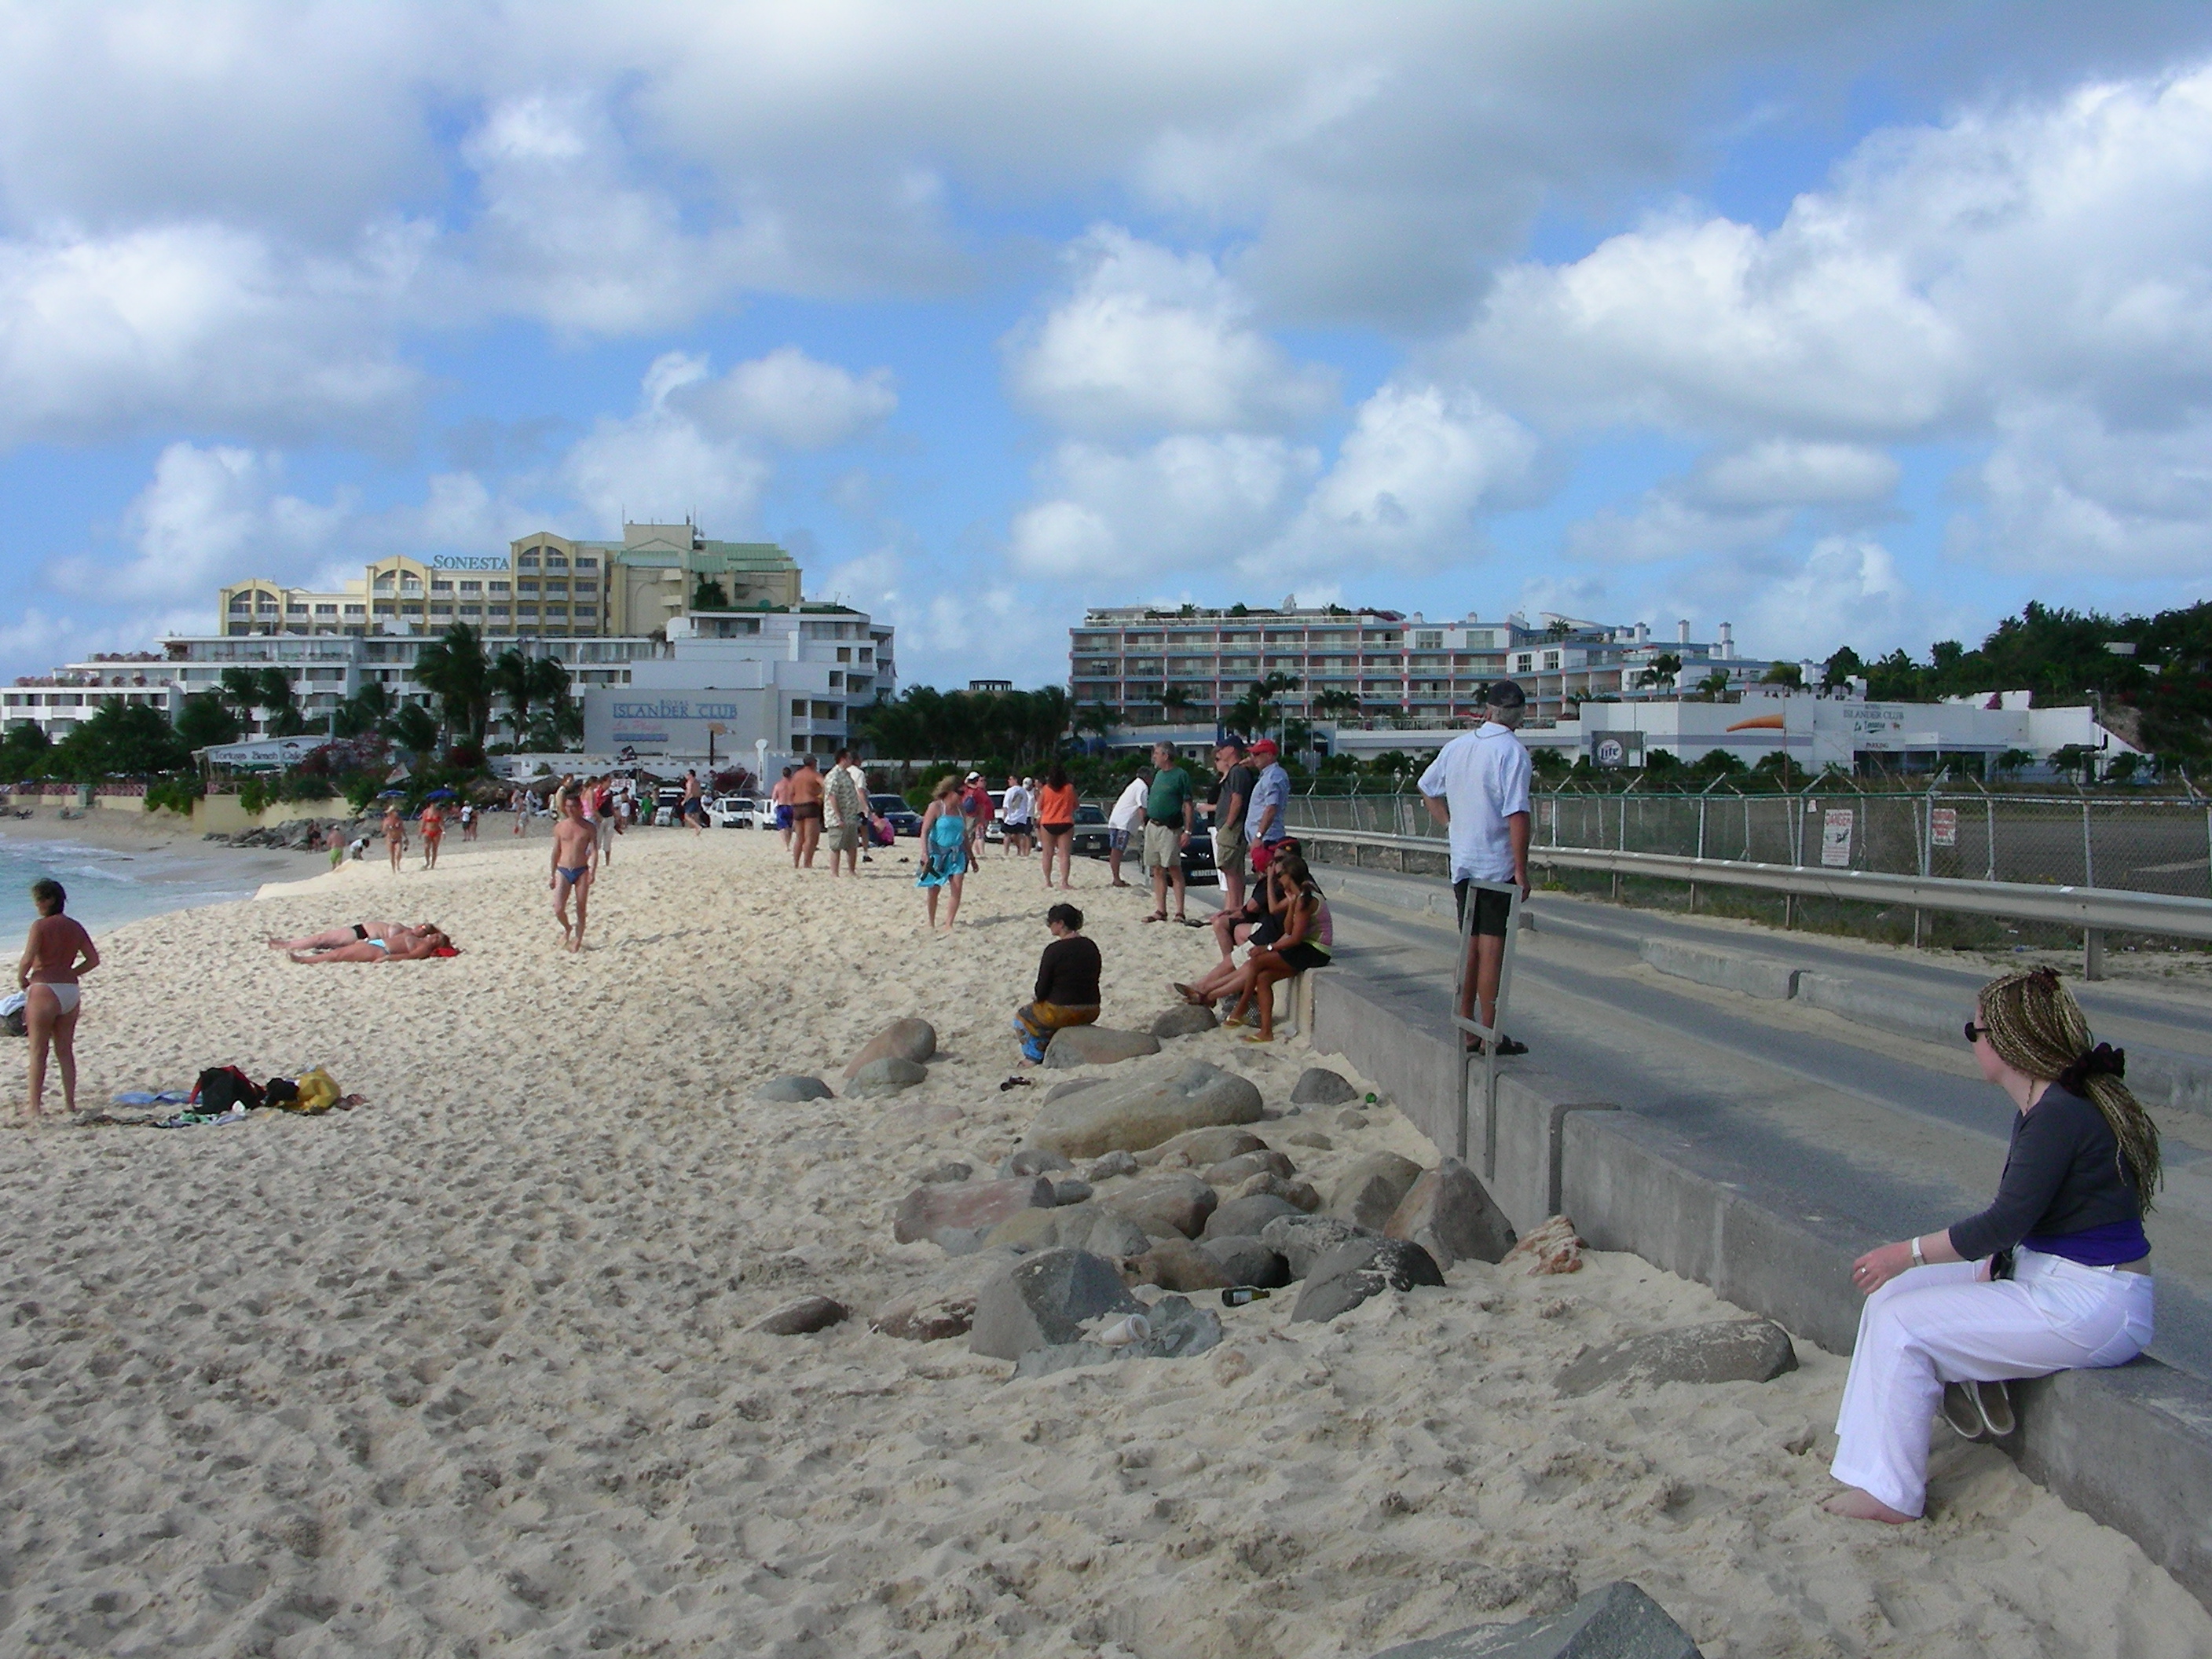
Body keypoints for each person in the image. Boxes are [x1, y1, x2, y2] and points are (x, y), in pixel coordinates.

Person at [1824, 967, 2159, 1525]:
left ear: (2005, 1042)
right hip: (2052, 1274)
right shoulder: (2048, 1105)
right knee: (1892, 1299)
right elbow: (2030, 1224)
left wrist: (1903, 1252)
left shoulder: (2058, 1115)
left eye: (1973, 1032)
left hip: (2092, 1302)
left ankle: (1892, 1494)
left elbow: (2002, 1223)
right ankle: (1868, 1461)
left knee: (1904, 1322)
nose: (1972, 1042)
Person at [1417, 679, 1533, 1055]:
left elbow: (1427, 786)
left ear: (1487, 710)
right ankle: (1489, 1032)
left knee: (1469, 946)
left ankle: (1465, 1025)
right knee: (1492, 949)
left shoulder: (1458, 747)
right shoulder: (1513, 752)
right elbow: (1516, 813)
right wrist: (1522, 869)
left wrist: (1450, 824)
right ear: (1519, 714)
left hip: (1463, 861)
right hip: (1495, 863)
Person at [1221, 853, 1331, 1043]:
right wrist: (1290, 906)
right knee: (1263, 979)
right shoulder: (1297, 897)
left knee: (1257, 961)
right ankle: (1266, 1031)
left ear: (1292, 875)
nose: (1279, 879)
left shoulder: (1307, 899)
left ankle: (1241, 1007)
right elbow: (1289, 929)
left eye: (1281, 875)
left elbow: (1295, 938)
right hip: (1305, 946)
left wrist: (1268, 948)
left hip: (1316, 950)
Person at [17, 879, 97, 1116]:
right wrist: (71, 973)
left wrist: (21, 977)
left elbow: (28, 957)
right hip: (70, 991)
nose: (37, 905)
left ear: (50, 900)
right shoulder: (75, 926)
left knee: (38, 1050)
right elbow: (93, 960)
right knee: (65, 1050)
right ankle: (70, 1104)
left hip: (44, 988)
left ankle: (34, 1107)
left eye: (40, 900)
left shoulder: (40, 926)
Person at [1014, 903, 1102, 1063]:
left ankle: (1033, 1057)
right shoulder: (1090, 945)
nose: (1049, 925)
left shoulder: (1054, 950)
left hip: (1061, 1010)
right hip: (1092, 1008)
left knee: (1022, 1017)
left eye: (1050, 922)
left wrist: (1037, 998)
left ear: (1060, 924)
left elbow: (1042, 988)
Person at [1141, 742, 1196, 925]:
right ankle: (1161, 909)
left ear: (1166, 755)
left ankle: (1179, 911)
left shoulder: (1180, 775)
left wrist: (1188, 830)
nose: (1154, 757)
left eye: (1156, 753)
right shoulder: (1158, 775)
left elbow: (1188, 804)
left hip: (1170, 828)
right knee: (1157, 868)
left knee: (1173, 867)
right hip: (1153, 826)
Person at [915, 775, 971, 932]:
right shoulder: (936, 807)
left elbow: (964, 834)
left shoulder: (961, 810)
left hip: (957, 853)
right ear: (949, 791)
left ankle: (949, 923)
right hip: (937, 853)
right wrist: (924, 853)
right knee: (934, 889)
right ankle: (931, 922)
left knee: (957, 887)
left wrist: (972, 857)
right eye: (960, 792)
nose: (962, 796)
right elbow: (925, 831)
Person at [1212, 740, 1254, 918]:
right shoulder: (1235, 771)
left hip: (1233, 827)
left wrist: (1228, 825)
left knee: (1230, 867)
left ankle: (1235, 908)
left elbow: (1237, 800)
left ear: (1231, 749)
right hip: (1230, 826)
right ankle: (1234, 907)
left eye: (1221, 750)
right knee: (1231, 869)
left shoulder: (1238, 772)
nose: (1219, 753)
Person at [550, 793, 597, 952]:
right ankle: (568, 928)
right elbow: (556, 851)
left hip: (581, 870)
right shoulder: (560, 827)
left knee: (581, 907)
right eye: (568, 807)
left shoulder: (589, 827)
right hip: (563, 869)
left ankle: (578, 939)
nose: (570, 810)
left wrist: (593, 871)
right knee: (558, 908)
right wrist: (552, 874)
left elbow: (595, 850)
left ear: (580, 807)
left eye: (573, 807)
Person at [287, 925, 454, 964]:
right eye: (435, 935)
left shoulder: (424, 948)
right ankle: (315, 956)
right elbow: (424, 927)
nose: (434, 937)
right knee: (342, 951)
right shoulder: (418, 937)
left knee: (339, 955)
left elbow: (410, 956)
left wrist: (388, 959)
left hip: (382, 950)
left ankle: (303, 960)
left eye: (437, 939)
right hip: (376, 943)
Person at [1245, 738, 1291, 873]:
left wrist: (1259, 836)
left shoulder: (1273, 777)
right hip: (1262, 838)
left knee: (1268, 879)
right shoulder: (1267, 775)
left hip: (1267, 838)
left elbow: (1271, 808)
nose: (1254, 758)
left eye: (1258, 754)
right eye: (1253, 754)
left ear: (1269, 755)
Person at [268, 920, 444, 953]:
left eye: (425, 928)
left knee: (322, 940)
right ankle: (287, 944)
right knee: (323, 940)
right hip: (361, 931)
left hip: (363, 936)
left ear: (426, 935)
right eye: (422, 924)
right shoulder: (405, 929)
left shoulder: (409, 938)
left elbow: (387, 944)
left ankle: (286, 945)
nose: (421, 927)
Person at [823, 749, 868, 877]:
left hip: (850, 817)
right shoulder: (834, 775)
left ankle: (851, 871)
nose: (851, 760)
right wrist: (838, 816)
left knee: (852, 845)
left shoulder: (846, 774)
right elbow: (832, 796)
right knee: (836, 845)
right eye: (849, 758)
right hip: (838, 817)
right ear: (843, 759)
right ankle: (834, 873)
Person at [1035, 766, 1079, 892]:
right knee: (1064, 855)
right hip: (1065, 821)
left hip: (1048, 822)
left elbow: (1040, 806)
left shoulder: (1046, 789)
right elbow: (1076, 805)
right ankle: (1064, 882)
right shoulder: (1069, 788)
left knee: (1047, 854)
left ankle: (1048, 881)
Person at [1106, 770, 1148, 888]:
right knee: (1118, 851)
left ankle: (1116, 877)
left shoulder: (1134, 785)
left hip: (1116, 821)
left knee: (1115, 850)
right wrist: (1145, 824)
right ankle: (1116, 878)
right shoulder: (1142, 787)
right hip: (1123, 824)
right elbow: (1141, 808)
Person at [788, 756, 825, 869]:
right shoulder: (815, 775)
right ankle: (807, 863)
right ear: (813, 763)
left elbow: (791, 792)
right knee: (810, 837)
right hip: (810, 804)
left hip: (797, 806)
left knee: (799, 837)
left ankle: (796, 863)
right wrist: (820, 797)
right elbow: (826, 786)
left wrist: (793, 805)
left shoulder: (796, 775)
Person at [960, 771, 994, 865]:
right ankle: (966, 852)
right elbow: (982, 806)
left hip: (965, 814)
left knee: (965, 833)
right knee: (970, 835)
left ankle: (964, 852)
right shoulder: (978, 792)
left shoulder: (965, 789)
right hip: (973, 815)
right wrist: (981, 819)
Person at [1001, 774, 1034, 859]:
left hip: (1011, 816)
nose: (1009, 781)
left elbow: (1006, 804)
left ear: (1015, 780)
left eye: (1010, 779)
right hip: (1021, 816)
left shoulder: (1010, 790)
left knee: (1007, 835)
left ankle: (1006, 852)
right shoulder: (1023, 791)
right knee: (1020, 835)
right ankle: (1021, 852)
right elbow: (1026, 804)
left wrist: (1004, 815)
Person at [772, 766, 795, 848]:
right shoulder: (793, 785)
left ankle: (786, 846)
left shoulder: (778, 785)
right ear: (790, 774)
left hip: (781, 806)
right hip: (791, 806)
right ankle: (788, 843)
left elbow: (774, 797)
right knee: (790, 827)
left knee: (782, 827)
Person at [681, 768, 708, 838]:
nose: (686, 776)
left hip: (692, 799)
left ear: (690, 775)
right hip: (697, 799)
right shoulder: (697, 782)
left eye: (687, 775)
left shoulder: (689, 783)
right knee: (696, 815)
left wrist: (684, 801)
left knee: (687, 816)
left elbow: (689, 792)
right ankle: (697, 831)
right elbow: (700, 792)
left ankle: (698, 827)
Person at [419, 800, 445, 870]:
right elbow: (423, 822)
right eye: (434, 803)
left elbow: (441, 823)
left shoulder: (439, 812)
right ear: (431, 804)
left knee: (435, 848)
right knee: (426, 847)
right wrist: (420, 832)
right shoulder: (426, 812)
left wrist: (444, 832)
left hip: (437, 832)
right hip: (427, 831)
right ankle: (427, 862)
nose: (435, 805)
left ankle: (433, 865)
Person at [383, 802, 407, 873]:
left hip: (398, 838)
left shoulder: (399, 820)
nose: (397, 813)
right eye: (395, 811)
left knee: (399, 852)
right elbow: (384, 831)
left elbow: (403, 829)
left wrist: (406, 837)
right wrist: (389, 827)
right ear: (391, 812)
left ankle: (398, 864)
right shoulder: (387, 820)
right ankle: (393, 869)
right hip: (390, 839)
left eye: (397, 811)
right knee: (392, 855)